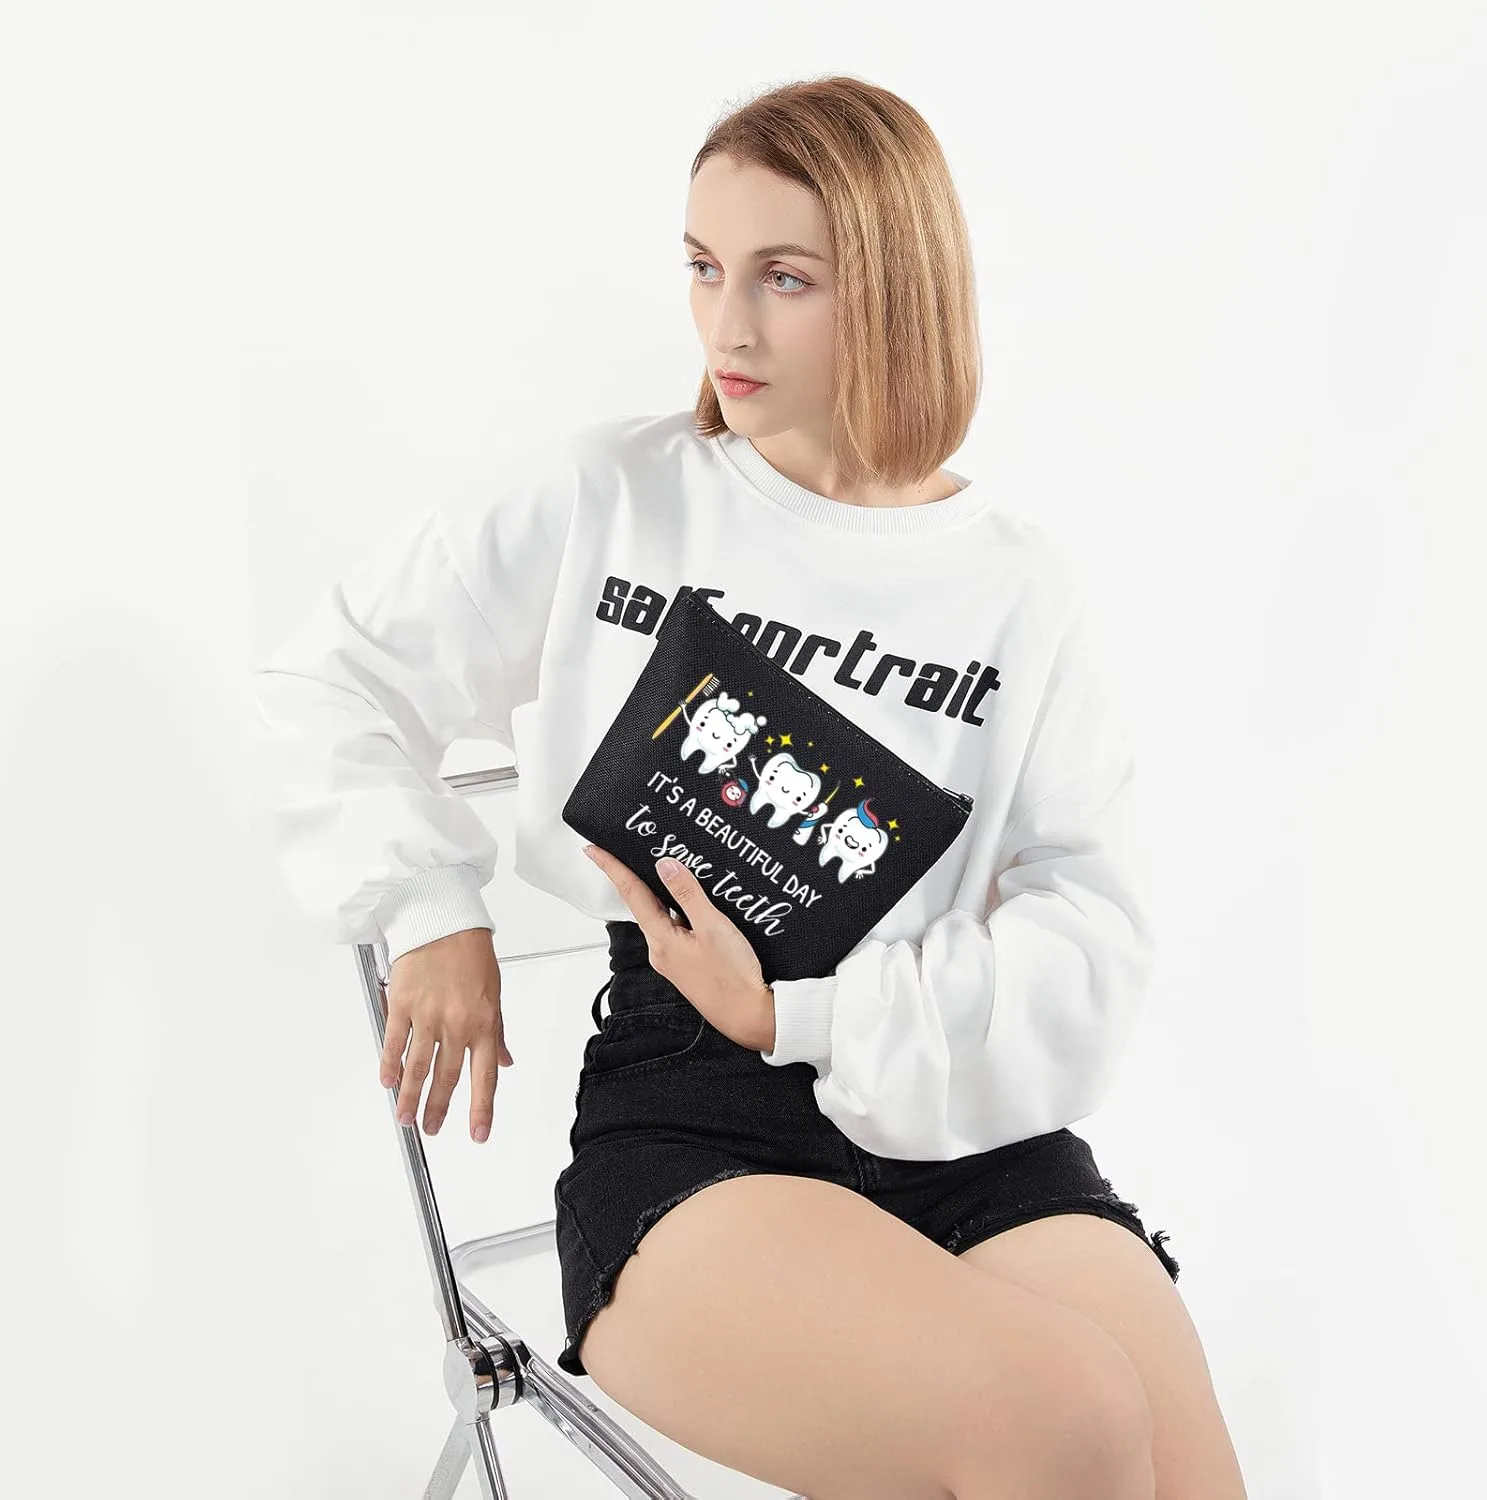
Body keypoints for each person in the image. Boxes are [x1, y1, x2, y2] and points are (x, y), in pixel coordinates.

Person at [253, 74, 1247, 1500]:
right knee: (1070, 1413)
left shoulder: (1018, 590)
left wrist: (803, 1010)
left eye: (784, 278)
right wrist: (430, 908)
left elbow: (1088, 938)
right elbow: (333, 676)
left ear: (895, 288)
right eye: (704, 267)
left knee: (1175, 1461)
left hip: (959, 1111)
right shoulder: (618, 499)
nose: (727, 327)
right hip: (694, 1122)